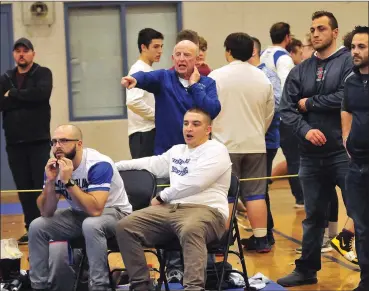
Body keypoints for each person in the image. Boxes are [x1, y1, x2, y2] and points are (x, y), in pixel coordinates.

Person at [115, 108, 231, 291]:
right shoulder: (177, 150)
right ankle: (141, 286)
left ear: (208, 130)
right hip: (171, 209)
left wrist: (162, 196)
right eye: (186, 124)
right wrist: (114, 166)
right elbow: (150, 164)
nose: (188, 128)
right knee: (125, 226)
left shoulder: (216, 150)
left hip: (207, 210)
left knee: (191, 229)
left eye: (195, 124)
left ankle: (193, 288)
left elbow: (196, 183)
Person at [277, 11, 353, 287]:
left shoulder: (348, 63)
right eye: (312, 29)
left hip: (344, 153)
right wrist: (306, 130)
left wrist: (310, 104)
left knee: (359, 212)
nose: (315, 34)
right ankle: (306, 269)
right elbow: (286, 109)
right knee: (312, 217)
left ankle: (366, 272)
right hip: (310, 156)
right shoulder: (300, 70)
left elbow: (347, 96)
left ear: (335, 32)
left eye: (321, 28)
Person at [28, 124, 132, 291]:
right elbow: (46, 211)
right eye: (54, 142)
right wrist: (50, 182)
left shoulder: (98, 164)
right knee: (37, 226)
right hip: (80, 214)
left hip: (116, 214)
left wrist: (68, 181)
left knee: (91, 224)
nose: (57, 146)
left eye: (63, 141)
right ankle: (38, 286)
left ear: (79, 144)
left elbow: (96, 210)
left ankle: (99, 286)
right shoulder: (55, 167)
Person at [209, 33, 274, 252]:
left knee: (226, 194)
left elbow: (208, 110)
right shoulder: (262, 78)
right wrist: (257, 132)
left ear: (228, 51)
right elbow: (269, 114)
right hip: (256, 144)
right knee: (256, 194)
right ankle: (262, 239)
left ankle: (222, 241)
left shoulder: (216, 77)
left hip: (224, 146)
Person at [121, 40, 220, 155]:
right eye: (178, 55)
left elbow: (213, 110)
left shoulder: (207, 83)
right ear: (173, 59)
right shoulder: (164, 77)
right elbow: (146, 77)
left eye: (187, 55)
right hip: (166, 153)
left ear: (196, 60)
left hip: (198, 152)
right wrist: (134, 79)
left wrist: (194, 85)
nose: (181, 59)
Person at [0, 38, 53, 244]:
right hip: (14, 143)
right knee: (23, 187)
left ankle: (45, 226)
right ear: (14, 55)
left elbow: (41, 95)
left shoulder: (43, 73)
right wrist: (23, 98)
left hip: (38, 141)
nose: (21, 54)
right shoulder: (6, 77)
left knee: (39, 185)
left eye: (26, 51)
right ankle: (30, 228)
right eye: (18, 51)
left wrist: (12, 94)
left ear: (33, 53)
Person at [341, 25, 369, 291]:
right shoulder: (350, 80)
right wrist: (346, 137)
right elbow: (346, 109)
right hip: (356, 166)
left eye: (362, 47)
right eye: (353, 47)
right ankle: (366, 281)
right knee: (361, 227)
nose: (356, 52)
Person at [246, 36, 281, 250]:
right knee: (255, 188)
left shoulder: (266, 74)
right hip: (253, 140)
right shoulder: (246, 75)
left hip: (265, 140)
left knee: (258, 188)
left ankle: (266, 234)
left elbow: (276, 105)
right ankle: (266, 229)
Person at [126, 28, 164, 159]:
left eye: (161, 46)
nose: (160, 51)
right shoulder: (139, 69)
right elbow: (133, 101)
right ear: (143, 47)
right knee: (146, 176)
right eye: (156, 47)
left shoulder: (148, 69)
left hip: (149, 132)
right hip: (143, 133)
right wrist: (157, 116)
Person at [260, 22, 294, 88]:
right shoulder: (284, 58)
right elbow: (285, 86)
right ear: (287, 37)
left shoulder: (261, 54)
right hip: (276, 97)